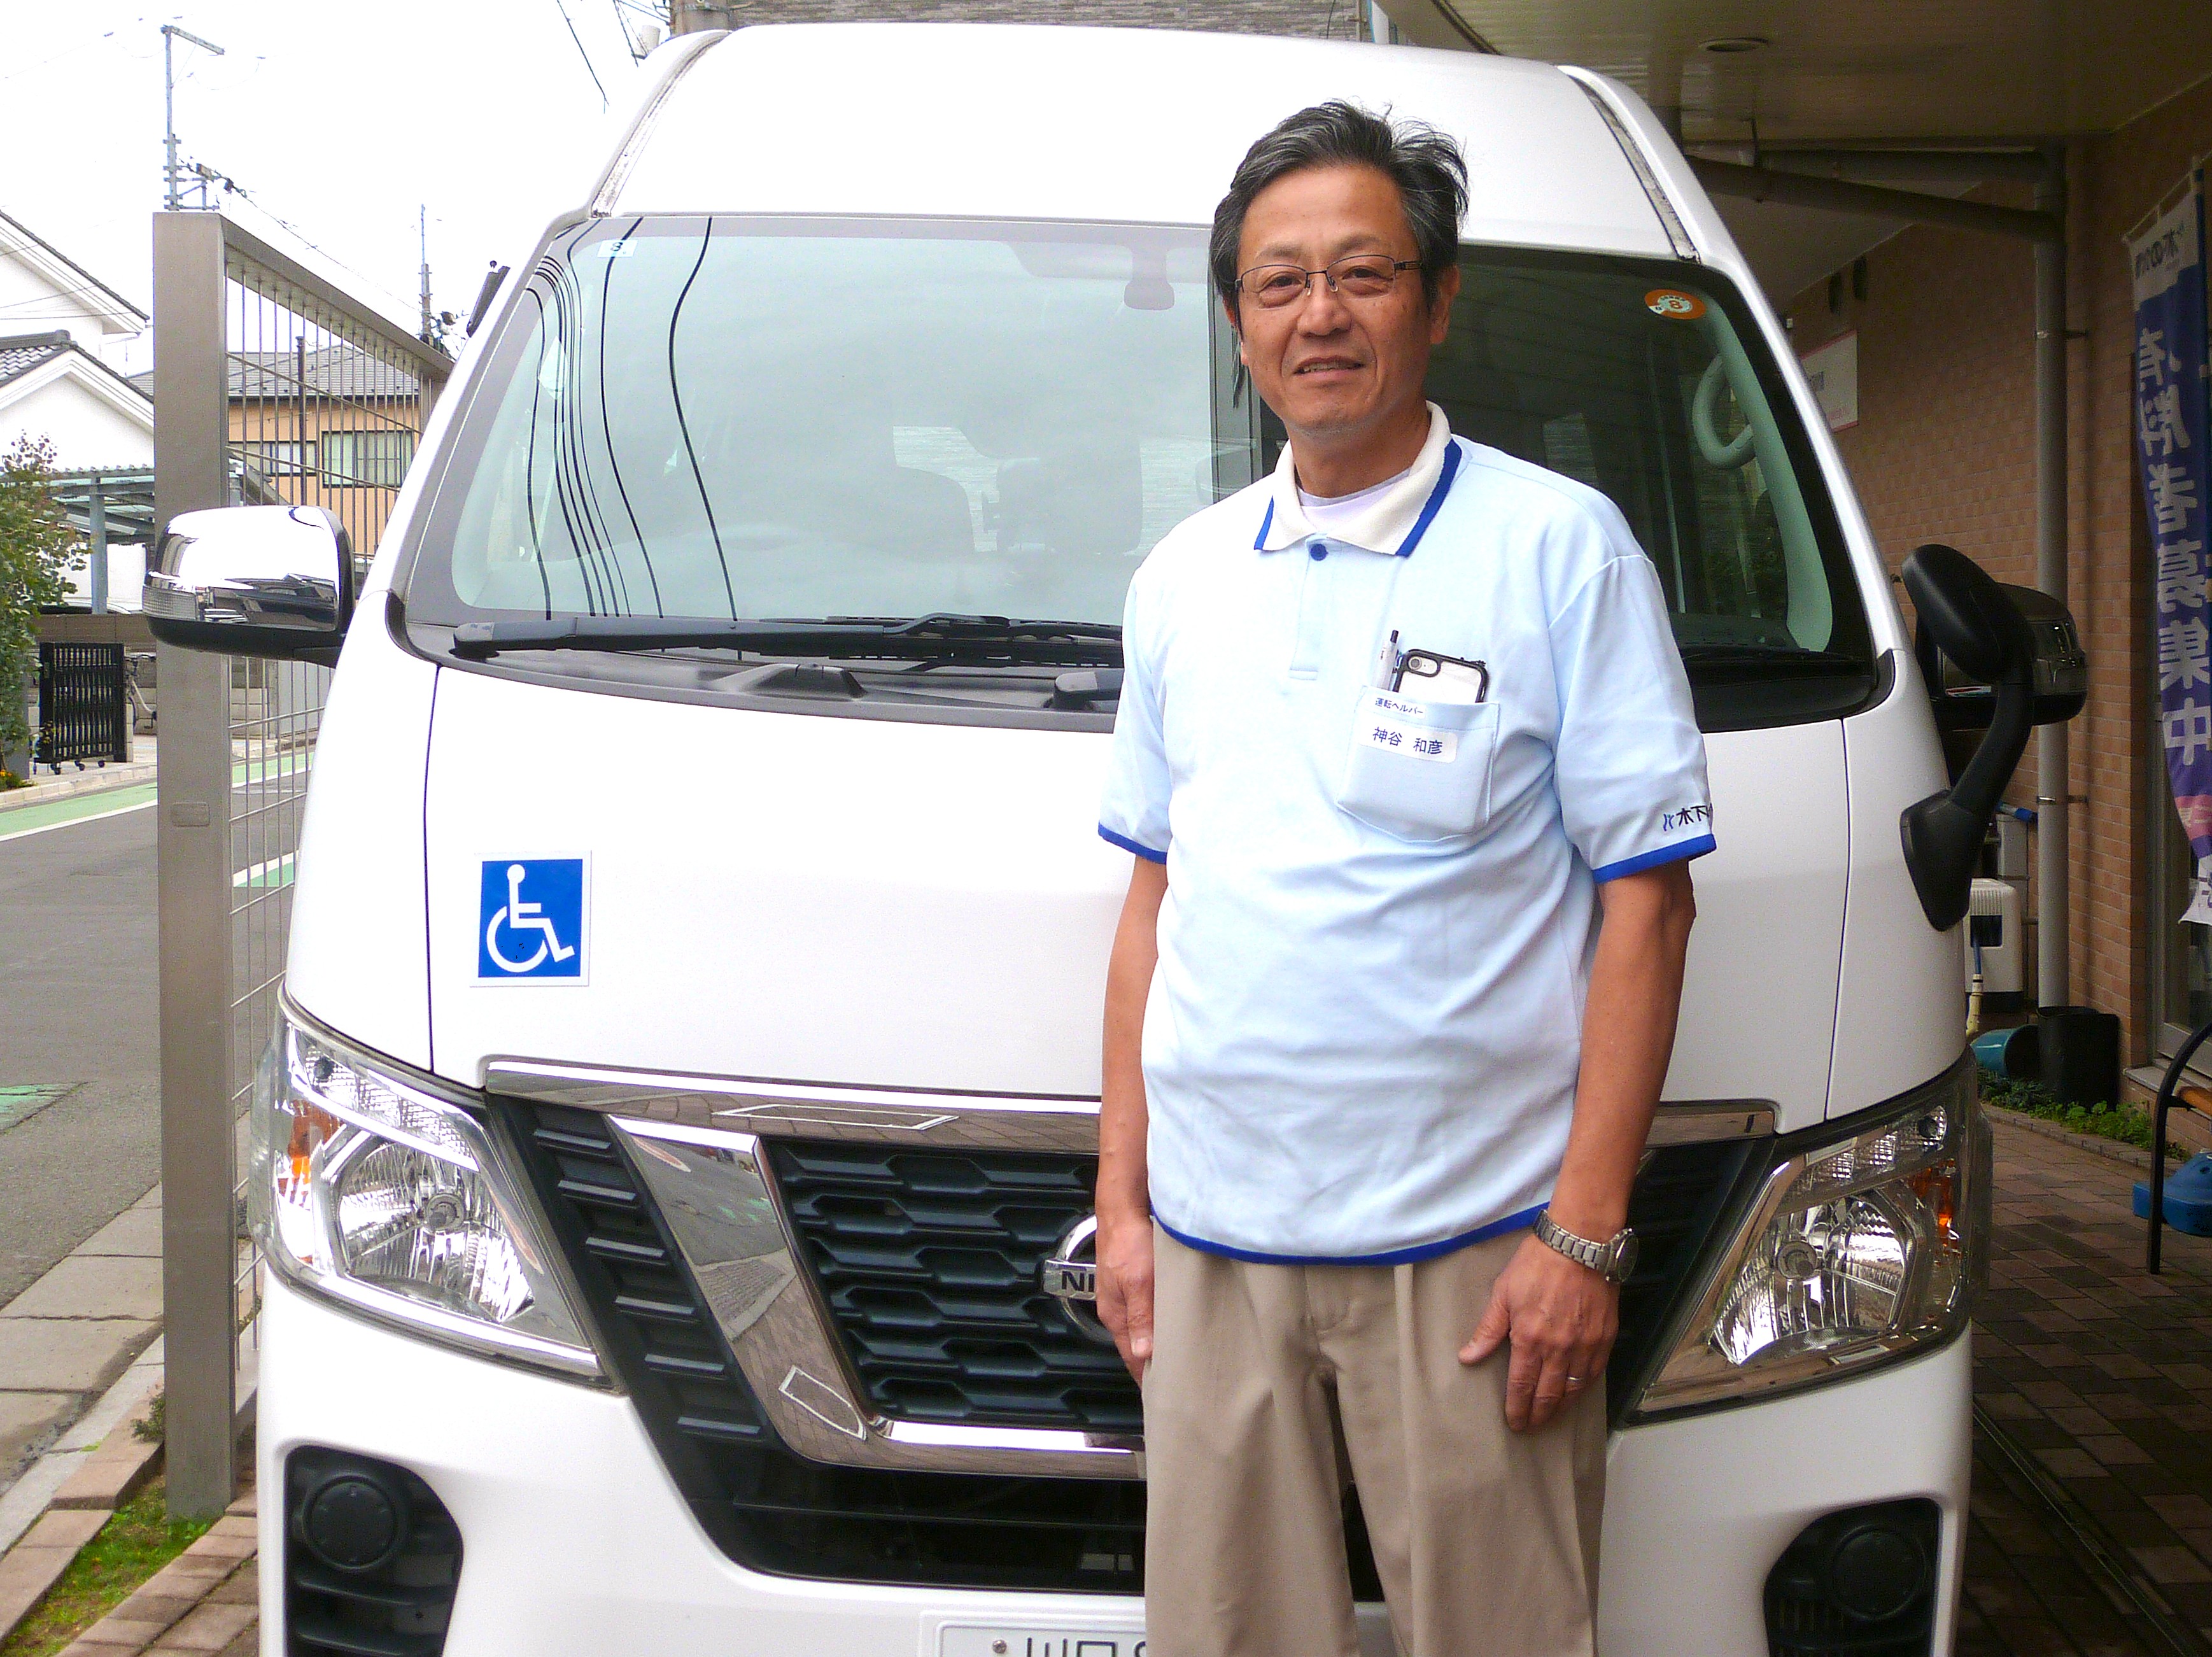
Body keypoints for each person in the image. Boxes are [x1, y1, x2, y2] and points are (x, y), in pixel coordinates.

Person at [1092, 101, 1711, 1657]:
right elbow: (1154, 907)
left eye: (1362, 274)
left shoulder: (1560, 550)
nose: (1321, 314)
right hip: (1212, 1246)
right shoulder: (1180, 581)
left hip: (1476, 1249)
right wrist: (1121, 1202)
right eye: (1279, 281)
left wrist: (1583, 1236)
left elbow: (1648, 905)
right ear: (1238, 321)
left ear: (1435, 302)